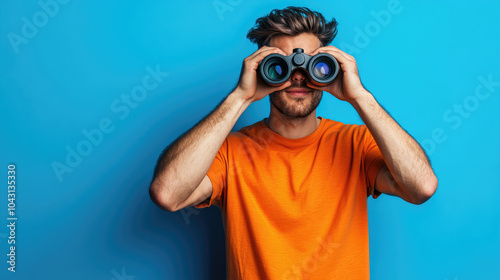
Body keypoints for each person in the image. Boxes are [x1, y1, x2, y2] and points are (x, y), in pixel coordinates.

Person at [149, 6, 438, 279]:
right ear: (262, 68)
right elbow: (168, 194)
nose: (298, 76)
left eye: (315, 64)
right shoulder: (230, 151)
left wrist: (359, 96)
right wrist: (241, 97)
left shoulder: (356, 143)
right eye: (282, 65)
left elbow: (421, 187)